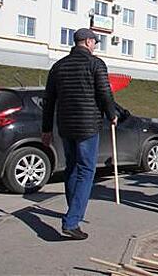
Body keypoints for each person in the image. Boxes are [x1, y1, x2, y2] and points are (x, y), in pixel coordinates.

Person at [42, 28, 117, 240]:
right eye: (94, 42)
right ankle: (72, 220)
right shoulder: (96, 64)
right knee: (86, 171)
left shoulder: (58, 67)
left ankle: (72, 211)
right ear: (87, 42)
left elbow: (48, 101)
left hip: (65, 126)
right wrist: (112, 114)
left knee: (72, 169)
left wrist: (46, 129)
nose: (95, 46)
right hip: (87, 126)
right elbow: (105, 93)